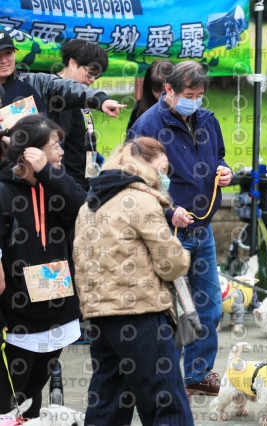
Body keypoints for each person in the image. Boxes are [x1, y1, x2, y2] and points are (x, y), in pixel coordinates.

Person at [128, 60, 233, 396]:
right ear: (169, 90)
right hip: (167, 233)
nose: (195, 101)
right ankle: (167, 379)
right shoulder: (147, 126)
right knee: (169, 311)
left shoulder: (207, 119)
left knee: (210, 306)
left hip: (202, 229)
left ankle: (197, 373)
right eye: (189, 95)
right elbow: (135, 182)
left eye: (200, 95)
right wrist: (169, 211)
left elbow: (219, 155)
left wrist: (224, 170)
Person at [74, 137, 193, 425]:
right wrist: (182, 255)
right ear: (145, 165)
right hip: (141, 312)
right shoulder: (141, 200)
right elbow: (172, 264)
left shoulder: (89, 204)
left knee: (109, 400)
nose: (165, 177)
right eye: (162, 169)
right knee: (166, 401)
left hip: (99, 314)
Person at [0, 115, 86, 418]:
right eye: (54, 146)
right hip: (18, 317)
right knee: (10, 398)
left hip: (58, 312)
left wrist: (49, 173)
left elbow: (85, 211)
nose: (61, 151)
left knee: (33, 394)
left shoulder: (55, 185)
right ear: (31, 153)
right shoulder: (4, 192)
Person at [0, 29, 125, 121]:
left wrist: (101, 100)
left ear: (15, 52)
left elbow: (66, 87)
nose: (4, 60)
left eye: (8, 53)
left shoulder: (34, 82)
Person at [50, 39, 109, 191]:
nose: (92, 80)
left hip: (84, 183)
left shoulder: (79, 97)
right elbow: (58, 148)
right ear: (72, 63)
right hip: (68, 187)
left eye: (96, 76)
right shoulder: (58, 98)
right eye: (90, 73)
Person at [127, 59, 174, 130]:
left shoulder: (184, 109)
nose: (162, 95)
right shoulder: (140, 108)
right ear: (149, 88)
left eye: (166, 91)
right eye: (157, 90)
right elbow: (130, 134)